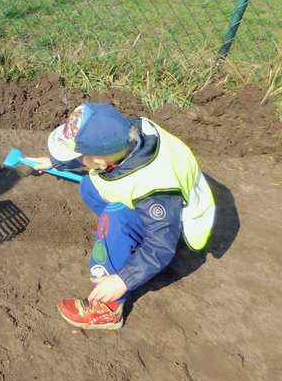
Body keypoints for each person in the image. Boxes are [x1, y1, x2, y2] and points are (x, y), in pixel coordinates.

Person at [26, 102, 216, 330]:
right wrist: (56, 162)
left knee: (116, 217)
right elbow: (95, 154)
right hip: (157, 208)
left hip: (176, 227)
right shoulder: (129, 133)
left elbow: (160, 245)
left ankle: (109, 308)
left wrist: (122, 280)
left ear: (99, 160)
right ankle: (127, 242)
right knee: (90, 185)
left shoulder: (155, 189)